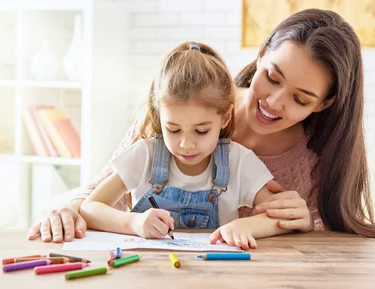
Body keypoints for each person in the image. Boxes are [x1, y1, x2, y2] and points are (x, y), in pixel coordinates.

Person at [28, 8, 375, 243]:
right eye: (272, 77)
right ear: (260, 57)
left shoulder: (313, 158)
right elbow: (98, 195)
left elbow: (320, 243)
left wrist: (305, 223)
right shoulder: (186, 103)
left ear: (324, 103)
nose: (275, 102)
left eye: (300, 99)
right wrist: (68, 209)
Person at [78, 41, 299, 249]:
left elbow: (279, 216)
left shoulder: (238, 161)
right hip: (147, 274)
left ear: (224, 118)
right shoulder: (145, 155)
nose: (186, 144)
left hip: (214, 273)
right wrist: (133, 223)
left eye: (201, 130)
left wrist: (246, 225)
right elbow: (90, 208)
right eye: (173, 129)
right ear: (159, 116)